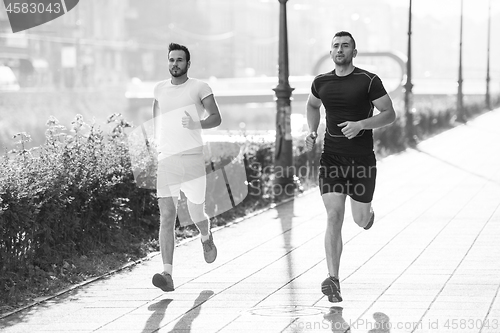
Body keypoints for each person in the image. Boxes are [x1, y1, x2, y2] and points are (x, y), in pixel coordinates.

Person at [304, 31, 396, 302]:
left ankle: (367, 217)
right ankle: (333, 279)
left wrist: (361, 125)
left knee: (359, 219)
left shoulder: (368, 81)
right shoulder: (321, 82)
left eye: (345, 46)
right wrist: (312, 130)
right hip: (331, 159)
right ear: (330, 52)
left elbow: (389, 113)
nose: (340, 49)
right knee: (334, 216)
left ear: (354, 52)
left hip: (362, 162)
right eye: (335, 46)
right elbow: (312, 105)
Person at [150, 43, 222, 292]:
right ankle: (167, 274)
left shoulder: (200, 87)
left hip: (192, 159)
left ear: (188, 64)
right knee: (167, 216)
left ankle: (205, 236)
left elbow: (216, 117)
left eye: (180, 60)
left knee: (195, 214)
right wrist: (157, 146)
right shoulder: (159, 89)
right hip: (167, 159)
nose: (175, 64)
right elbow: (157, 120)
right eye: (171, 60)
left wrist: (196, 124)